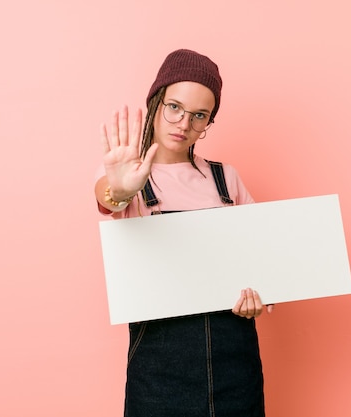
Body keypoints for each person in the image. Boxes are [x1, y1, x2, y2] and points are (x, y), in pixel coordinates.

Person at [94, 49, 273, 417]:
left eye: (199, 115)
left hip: (235, 363)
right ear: (156, 101)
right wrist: (121, 189)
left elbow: (263, 257)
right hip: (160, 369)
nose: (184, 123)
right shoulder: (128, 174)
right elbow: (108, 198)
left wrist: (263, 294)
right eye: (174, 107)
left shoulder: (227, 178)